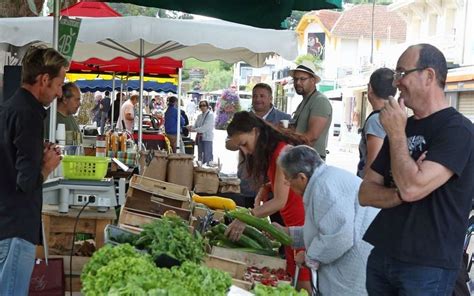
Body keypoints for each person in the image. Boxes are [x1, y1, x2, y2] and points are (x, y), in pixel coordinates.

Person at [359, 44, 474, 295]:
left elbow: (412, 188)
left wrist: (398, 136)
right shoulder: (400, 125)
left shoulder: (458, 130)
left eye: (402, 73)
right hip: (384, 253)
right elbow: (365, 193)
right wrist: (399, 192)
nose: (396, 83)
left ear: (429, 76)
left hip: (428, 265)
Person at [0, 46, 66, 295]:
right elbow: (26, 181)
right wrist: (46, 166)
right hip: (16, 229)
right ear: (44, 80)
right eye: (59, 85)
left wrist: (37, 153)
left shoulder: (9, 108)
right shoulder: (28, 115)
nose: (60, 92)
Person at [225, 111, 311, 293]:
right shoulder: (274, 151)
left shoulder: (281, 152)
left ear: (256, 131)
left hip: (301, 225)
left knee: (303, 285)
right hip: (291, 227)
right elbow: (283, 183)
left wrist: (246, 218)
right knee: (293, 282)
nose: (246, 151)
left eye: (245, 144)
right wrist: (266, 186)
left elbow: (280, 201)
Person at [276, 145, 379, 295]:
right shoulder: (324, 179)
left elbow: (339, 237)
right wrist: (290, 234)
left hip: (357, 264)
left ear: (301, 177)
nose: (288, 185)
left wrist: (309, 256)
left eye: (288, 180)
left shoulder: (324, 187)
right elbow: (325, 228)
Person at [357, 68, 397, 178]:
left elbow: (373, 164)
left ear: (369, 88)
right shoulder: (397, 116)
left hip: (374, 187)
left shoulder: (376, 120)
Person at [290, 60, 332, 160]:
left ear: (313, 80)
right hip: (302, 157)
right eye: (295, 79)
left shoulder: (320, 101)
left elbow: (312, 136)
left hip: (311, 160)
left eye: (302, 79)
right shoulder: (304, 101)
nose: (298, 82)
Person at [188, 100, 214, 164]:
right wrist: (190, 127)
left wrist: (194, 130)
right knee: (200, 155)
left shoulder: (210, 115)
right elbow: (195, 126)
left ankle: (207, 170)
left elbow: (205, 128)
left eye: (204, 105)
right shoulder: (199, 116)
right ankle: (201, 170)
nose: (202, 107)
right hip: (200, 138)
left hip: (207, 138)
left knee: (207, 156)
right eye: (201, 105)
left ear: (207, 106)